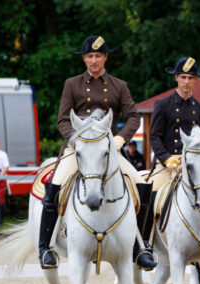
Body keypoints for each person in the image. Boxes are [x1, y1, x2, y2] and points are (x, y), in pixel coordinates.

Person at [38, 35, 156, 271]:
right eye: (90, 56)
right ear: (84, 59)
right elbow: (62, 119)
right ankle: (45, 248)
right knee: (56, 185)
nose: (94, 60)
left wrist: (121, 138)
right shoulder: (72, 84)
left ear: (105, 57)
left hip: (107, 151)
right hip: (79, 150)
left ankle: (139, 248)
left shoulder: (118, 85)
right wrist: (76, 140)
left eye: (98, 56)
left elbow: (133, 116)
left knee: (142, 185)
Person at [144, 56, 200, 256]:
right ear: (176, 78)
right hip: (167, 165)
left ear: (195, 80)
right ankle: (144, 246)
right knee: (150, 194)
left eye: (190, 77)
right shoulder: (162, 104)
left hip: (194, 165)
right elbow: (154, 137)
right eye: (183, 77)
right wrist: (166, 158)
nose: (186, 82)